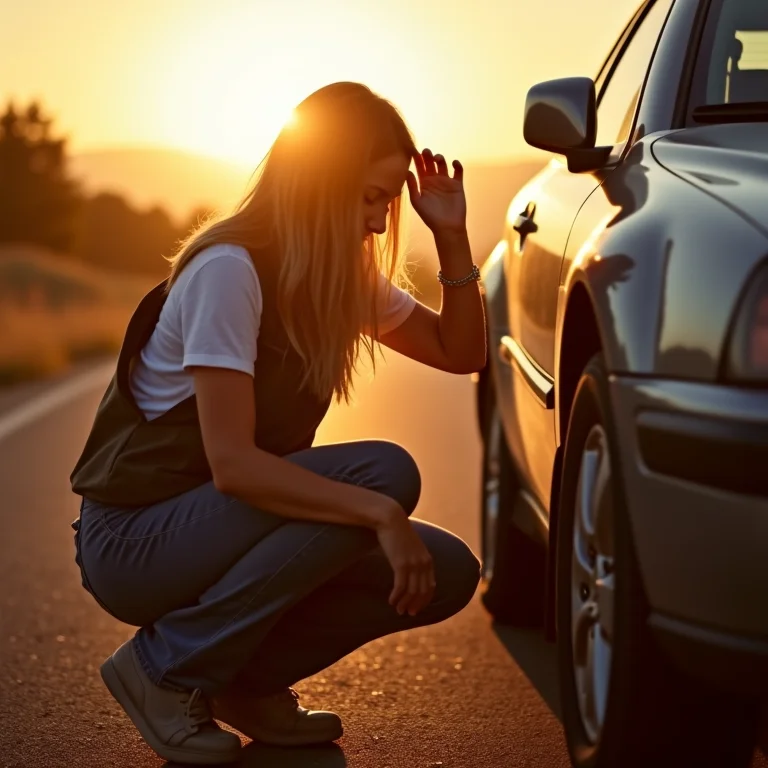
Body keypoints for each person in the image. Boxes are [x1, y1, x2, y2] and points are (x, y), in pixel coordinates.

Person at [69, 81, 486, 765]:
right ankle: (164, 669)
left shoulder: (334, 276)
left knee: (446, 570)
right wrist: (379, 513)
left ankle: (243, 682)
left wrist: (452, 235)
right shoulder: (229, 271)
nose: (380, 224)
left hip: (219, 525)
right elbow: (234, 466)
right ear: (321, 182)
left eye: (386, 202)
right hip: (135, 541)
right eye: (370, 198)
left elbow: (461, 353)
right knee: (381, 477)